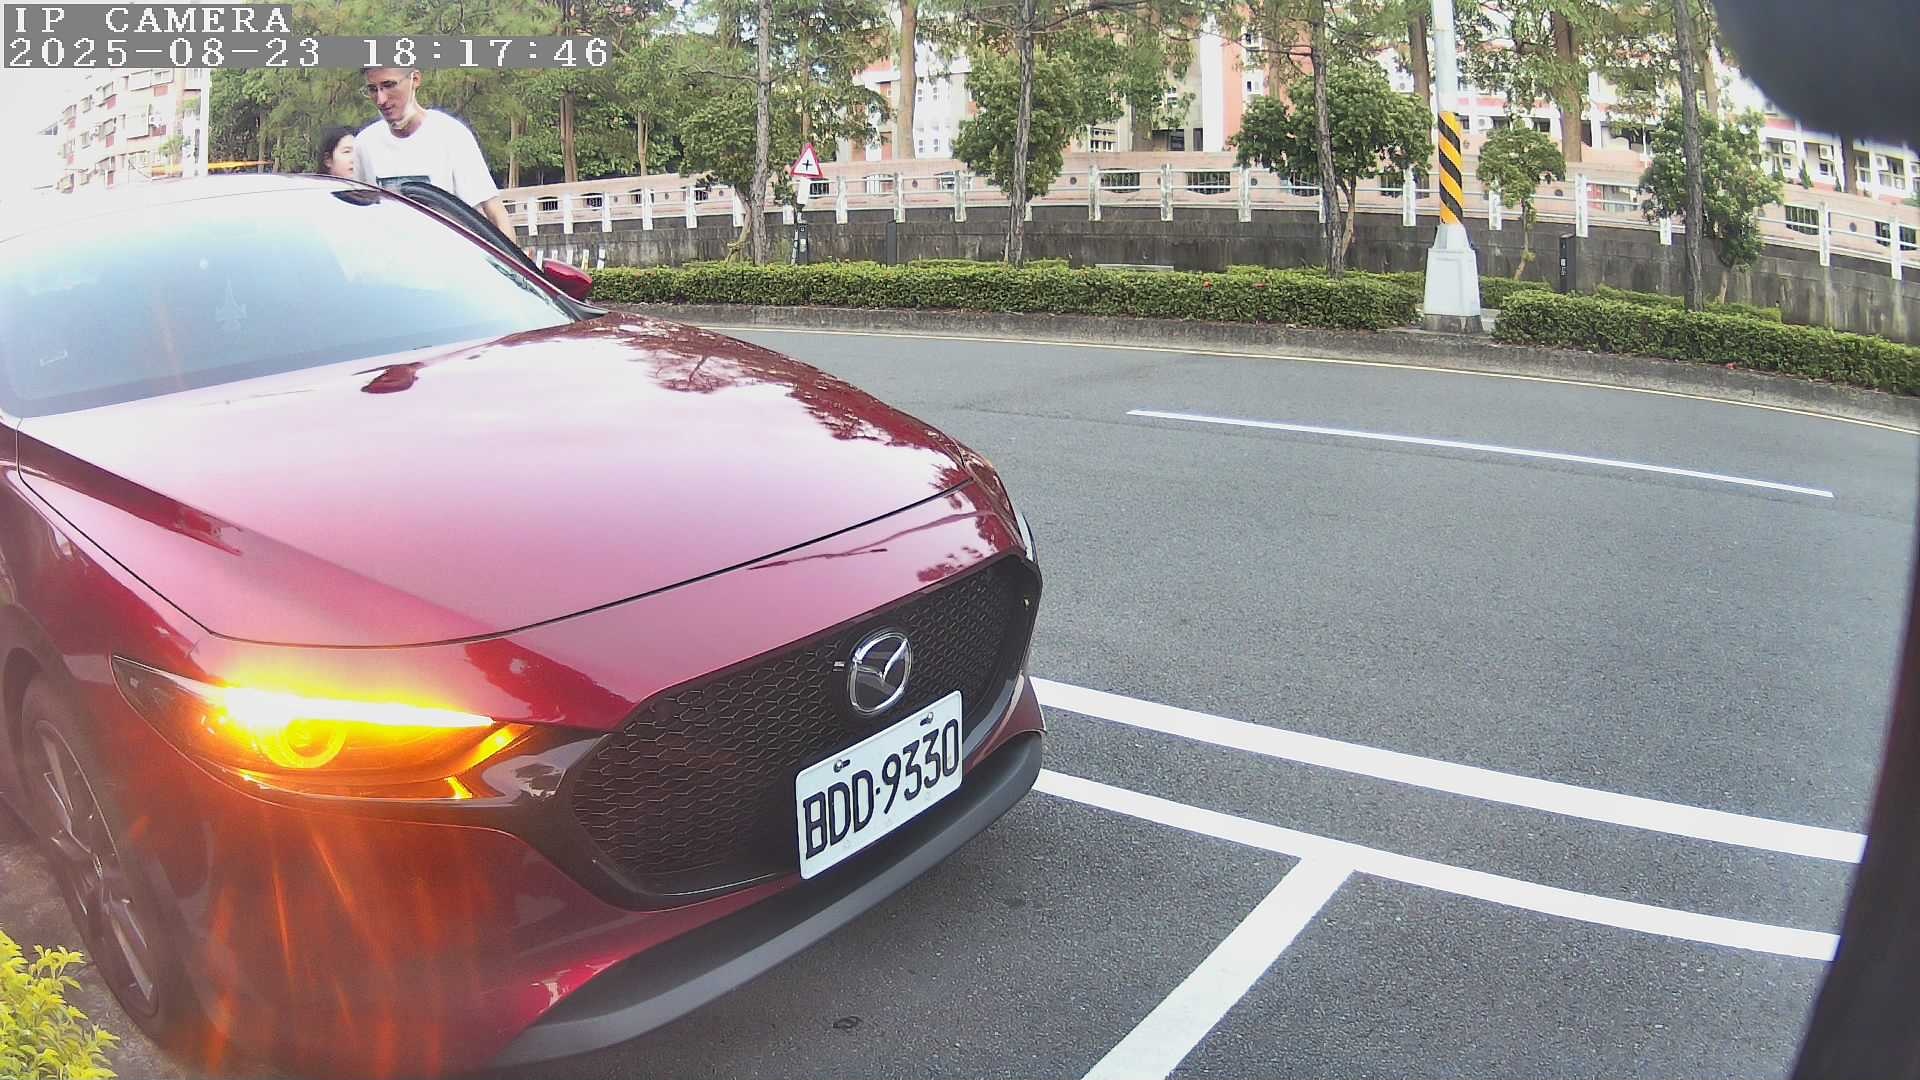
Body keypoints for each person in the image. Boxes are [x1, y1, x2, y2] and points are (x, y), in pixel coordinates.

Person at [350, 66, 514, 234]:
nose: (381, 99)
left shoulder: (450, 134)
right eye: (373, 89)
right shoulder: (365, 143)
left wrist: (508, 250)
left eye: (389, 85)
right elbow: (358, 215)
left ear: (415, 80)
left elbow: (495, 213)